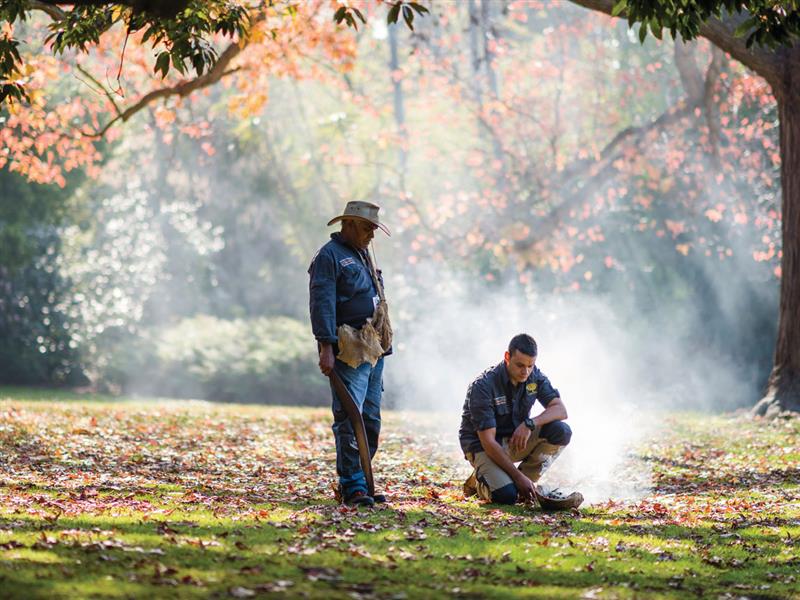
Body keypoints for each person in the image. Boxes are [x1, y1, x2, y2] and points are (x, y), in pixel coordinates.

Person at [308, 201, 392, 507]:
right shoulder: (328, 256)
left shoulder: (362, 253)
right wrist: (325, 347)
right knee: (349, 418)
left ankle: (364, 481)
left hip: (372, 348)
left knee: (370, 420)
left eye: (374, 228)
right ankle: (352, 486)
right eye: (368, 227)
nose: (372, 234)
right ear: (350, 224)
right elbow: (322, 303)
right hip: (349, 349)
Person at [458, 333, 582, 508]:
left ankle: (521, 482)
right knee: (507, 496)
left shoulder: (534, 376)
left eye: (530, 365)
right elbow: (488, 442)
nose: (526, 372)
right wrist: (517, 477)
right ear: (507, 357)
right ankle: (478, 482)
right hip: (483, 447)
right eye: (520, 365)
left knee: (561, 431)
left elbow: (560, 410)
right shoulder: (483, 385)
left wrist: (529, 424)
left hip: (514, 440)